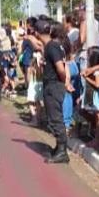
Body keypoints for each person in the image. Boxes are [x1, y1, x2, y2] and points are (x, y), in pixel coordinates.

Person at [38, 20, 71, 163]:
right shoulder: (58, 46)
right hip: (54, 84)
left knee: (55, 118)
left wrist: (63, 80)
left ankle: (62, 151)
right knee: (54, 117)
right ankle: (59, 147)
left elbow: (60, 68)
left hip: (53, 85)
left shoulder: (52, 46)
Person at [82, 46, 99, 148]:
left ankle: (98, 138)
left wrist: (87, 78)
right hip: (96, 96)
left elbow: (97, 84)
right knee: (97, 117)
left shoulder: (97, 71)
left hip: (98, 97)